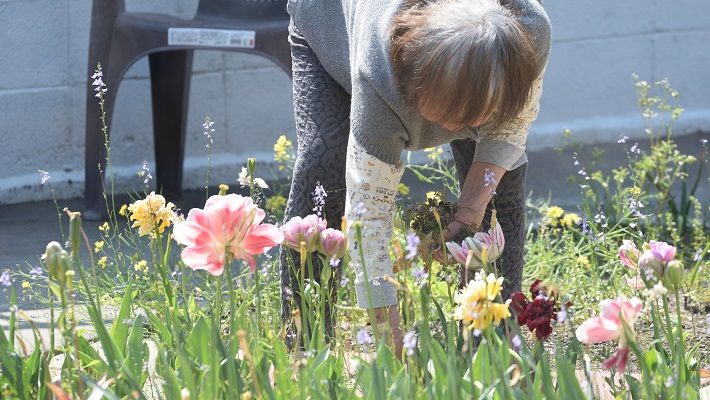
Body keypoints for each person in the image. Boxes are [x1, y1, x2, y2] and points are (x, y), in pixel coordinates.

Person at [279, 0, 551, 355]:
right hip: (327, 18)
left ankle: (488, 346)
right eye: (450, 115)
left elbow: (507, 131)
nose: (454, 129)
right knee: (323, 166)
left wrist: (471, 212)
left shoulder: (528, 32)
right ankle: (305, 343)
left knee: (500, 193)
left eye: (475, 116)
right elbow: (369, 214)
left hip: (476, 66)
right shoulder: (379, 72)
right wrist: (390, 340)